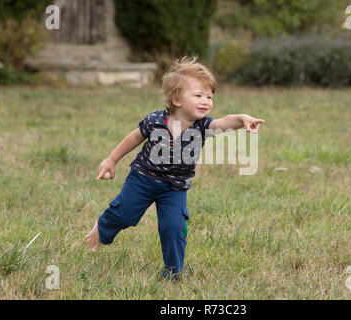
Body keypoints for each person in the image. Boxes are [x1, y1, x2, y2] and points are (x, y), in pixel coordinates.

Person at [85, 56, 265, 279]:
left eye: (209, 96)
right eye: (198, 95)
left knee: (173, 228)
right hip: (142, 179)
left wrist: (242, 119)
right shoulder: (155, 120)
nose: (206, 101)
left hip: (175, 188)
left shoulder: (204, 125)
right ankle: (102, 228)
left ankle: (173, 272)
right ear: (177, 99)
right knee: (124, 215)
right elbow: (134, 138)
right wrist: (112, 160)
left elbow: (224, 122)